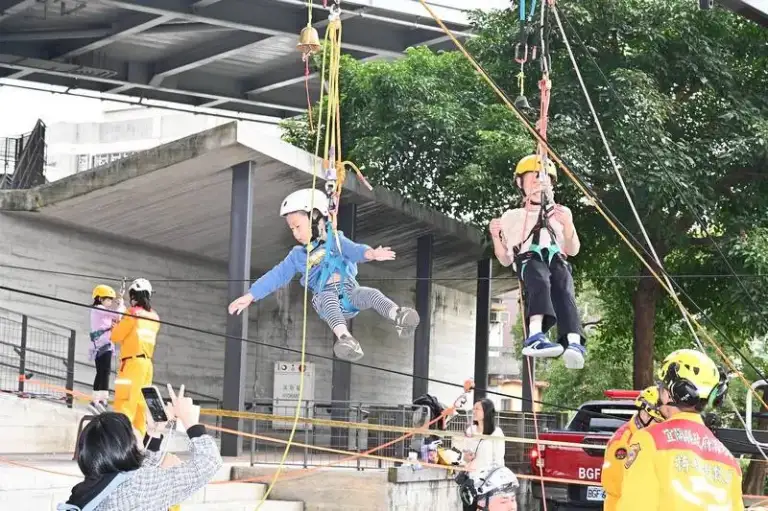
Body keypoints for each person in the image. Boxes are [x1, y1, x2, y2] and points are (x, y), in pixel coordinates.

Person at [228, 188, 420, 362]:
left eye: (298, 226)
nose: (295, 233)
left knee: (371, 294)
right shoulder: (297, 255)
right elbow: (276, 276)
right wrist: (251, 295)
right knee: (328, 298)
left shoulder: (335, 239)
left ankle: (398, 315)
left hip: (349, 293)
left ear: (315, 219)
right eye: (291, 229)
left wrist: (370, 254)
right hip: (325, 298)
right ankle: (345, 338)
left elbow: (352, 250)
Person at [489, 154, 586, 369]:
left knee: (563, 285)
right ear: (520, 183)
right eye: (532, 178)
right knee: (540, 280)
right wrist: (496, 237)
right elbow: (505, 259)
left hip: (556, 257)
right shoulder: (512, 216)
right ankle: (535, 334)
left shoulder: (561, 213)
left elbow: (573, 249)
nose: (538, 183)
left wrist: (568, 225)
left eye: (543, 179)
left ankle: (574, 342)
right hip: (528, 259)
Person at [58, 384, 222, 511]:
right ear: (122, 446)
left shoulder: (92, 485)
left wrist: (154, 432)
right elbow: (209, 462)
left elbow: (137, 470)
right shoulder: (139, 487)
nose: (136, 430)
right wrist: (190, 420)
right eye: (131, 429)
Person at [617, 349, 741, 511]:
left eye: (661, 386)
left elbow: (635, 506)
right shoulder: (730, 461)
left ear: (669, 394)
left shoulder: (649, 441)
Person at [601, 385, 664, 511]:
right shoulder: (622, 443)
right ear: (645, 415)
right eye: (658, 420)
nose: (662, 425)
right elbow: (616, 486)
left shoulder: (653, 437)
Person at [111, 278, 160, 437]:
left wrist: (117, 319)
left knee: (124, 403)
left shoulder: (132, 313)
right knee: (141, 407)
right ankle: (138, 446)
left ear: (134, 295)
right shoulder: (154, 317)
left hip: (132, 365)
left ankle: (120, 442)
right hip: (147, 366)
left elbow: (116, 336)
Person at [89, 284, 126, 414]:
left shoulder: (102, 311)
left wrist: (120, 307)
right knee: (102, 372)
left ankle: (102, 400)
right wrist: (121, 304)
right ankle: (96, 400)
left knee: (105, 372)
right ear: (99, 298)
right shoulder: (98, 308)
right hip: (101, 346)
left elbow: (118, 317)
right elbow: (117, 314)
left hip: (105, 345)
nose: (110, 302)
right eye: (108, 299)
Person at [462, 399, 506, 480]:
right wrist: (466, 457)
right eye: (473, 409)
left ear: (487, 411)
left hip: (488, 480)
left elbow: (498, 459)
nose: (474, 412)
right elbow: (464, 454)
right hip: (471, 478)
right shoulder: (470, 430)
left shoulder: (496, 432)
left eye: (477, 409)